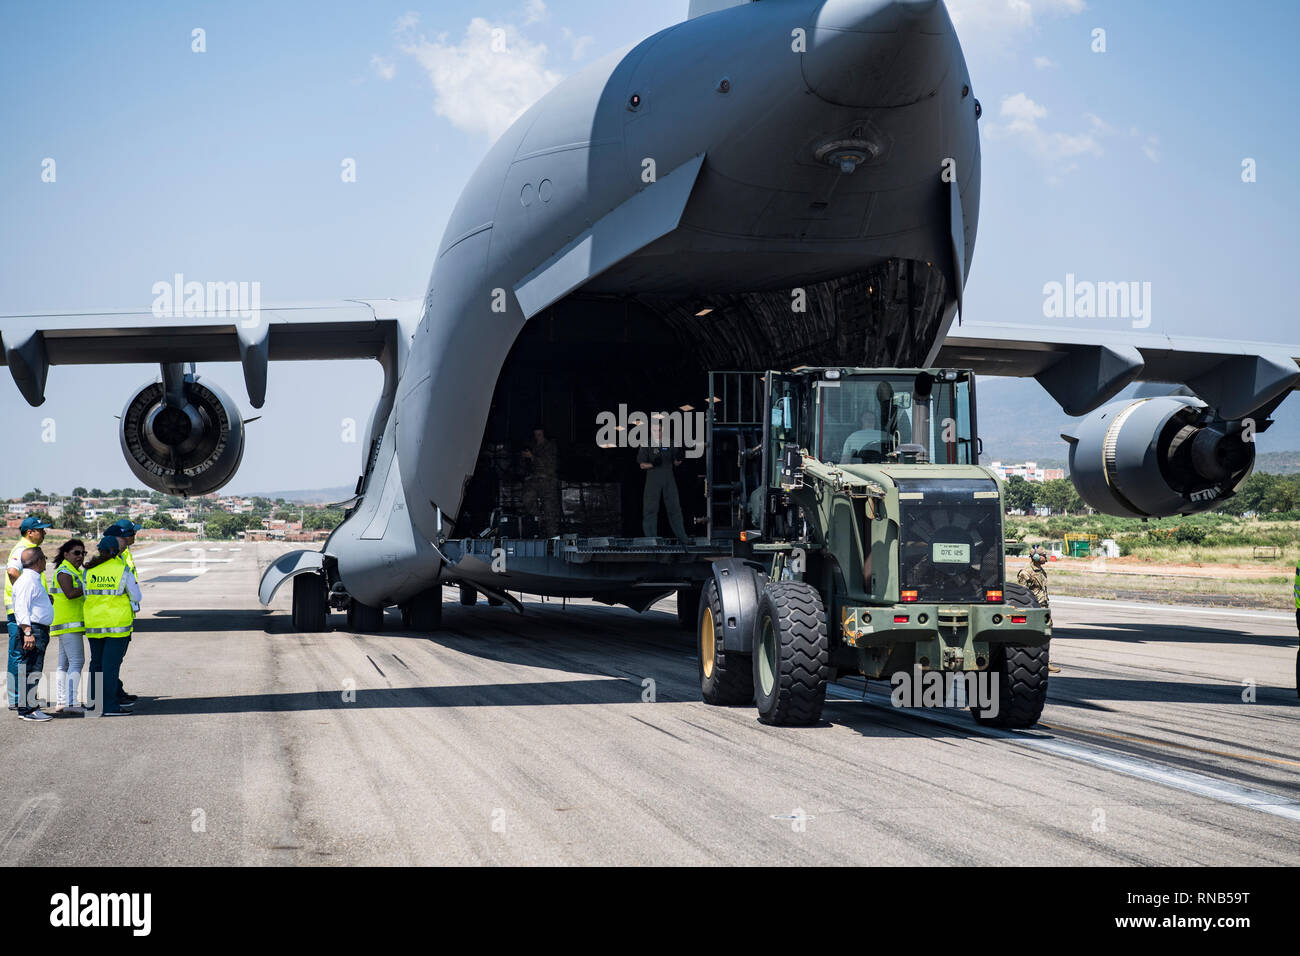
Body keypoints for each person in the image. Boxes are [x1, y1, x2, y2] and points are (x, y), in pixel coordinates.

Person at [82, 536, 140, 718]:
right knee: (110, 666)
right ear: (117, 551)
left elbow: (85, 594)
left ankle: (93, 704)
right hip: (116, 625)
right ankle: (109, 706)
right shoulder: (122, 570)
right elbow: (137, 597)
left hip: (94, 624)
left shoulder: (89, 570)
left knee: (96, 664)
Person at [6, 516, 51, 711]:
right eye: (40, 529)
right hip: (22, 612)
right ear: (29, 532)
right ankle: (18, 699)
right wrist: (25, 597)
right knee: (21, 656)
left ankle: (23, 698)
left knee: (25, 657)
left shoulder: (28, 549)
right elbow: (12, 571)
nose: (44, 532)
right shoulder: (21, 549)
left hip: (26, 611)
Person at [11, 547, 54, 721]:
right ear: (38, 561)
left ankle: (28, 706)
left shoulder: (33, 579)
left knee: (32, 669)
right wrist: (28, 631)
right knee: (31, 669)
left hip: (36, 628)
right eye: (44, 557)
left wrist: (46, 601)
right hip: (33, 630)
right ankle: (28, 710)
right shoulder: (28, 580)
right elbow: (21, 607)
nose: (45, 560)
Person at [103, 520, 142, 704]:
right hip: (115, 616)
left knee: (109, 661)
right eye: (131, 533)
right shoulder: (117, 559)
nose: (134, 536)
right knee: (111, 661)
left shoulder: (123, 554)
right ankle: (110, 697)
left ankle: (114, 690)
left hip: (114, 614)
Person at [47, 539, 87, 715]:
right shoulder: (65, 571)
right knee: (77, 662)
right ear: (66, 554)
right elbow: (70, 594)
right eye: (76, 553)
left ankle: (63, 701)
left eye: (83, 553)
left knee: (64, 664)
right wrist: (88, 586)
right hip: (69, 625)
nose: (80, 556)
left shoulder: (72, 570)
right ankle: (71, 701)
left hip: (67, 624)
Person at [638, 421, 689, 544]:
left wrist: (680, 458)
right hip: (653, 478)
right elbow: (642, 465)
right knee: (650, 509)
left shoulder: (670, 443)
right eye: (655, 430)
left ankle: (683, 538)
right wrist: (652, 464)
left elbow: (676, 463)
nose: (658, 433)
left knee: (675, 508)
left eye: (659, 430)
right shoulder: (646, 444)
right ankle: (651, 539)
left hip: (668, 478)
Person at [1018, 545, 1060, 674]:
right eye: (1043, 555)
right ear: (1035, 557)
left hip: (1043, 608)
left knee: (1046, 634)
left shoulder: (1040, 570)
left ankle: (1045, 662)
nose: (1045, 557)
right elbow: (1022, 595)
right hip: (1033, 609)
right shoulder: (1026, 572)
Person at [519, 426, 561, 537]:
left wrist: (533, 457)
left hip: (548, 481)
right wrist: (524, 458)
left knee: (550, 509)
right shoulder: (533, 446)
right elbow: (525, 467)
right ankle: (538, 524)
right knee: (527, 500)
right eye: (535, 435)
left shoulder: (550, 446)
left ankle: (553, 537)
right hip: (534, 481)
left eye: (539, 435)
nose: (537, 437)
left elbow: (550, 465)